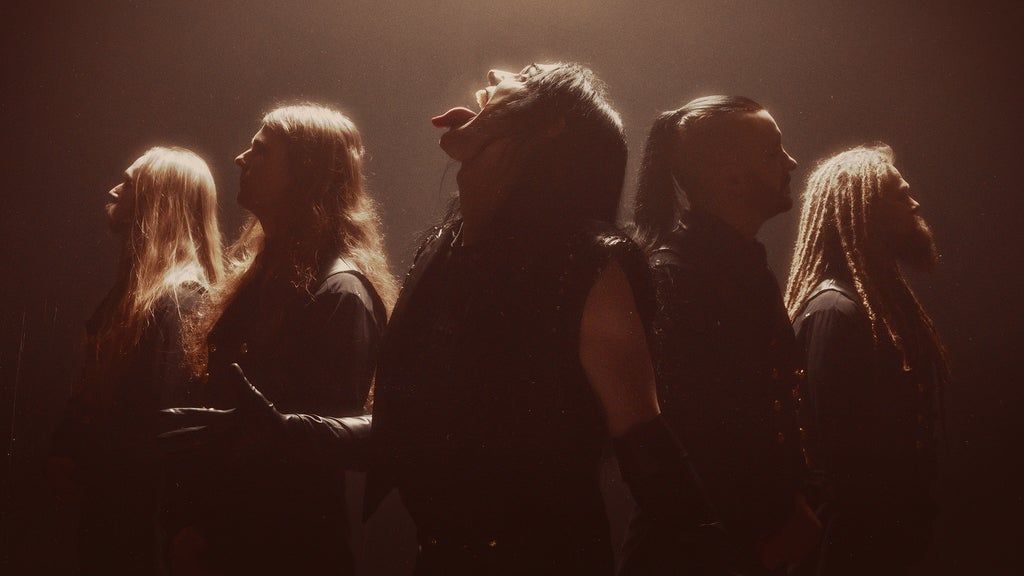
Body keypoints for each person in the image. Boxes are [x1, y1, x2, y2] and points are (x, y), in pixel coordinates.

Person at [362, 61, 715, 576]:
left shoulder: (589, 263)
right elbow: (413, 425)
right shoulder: (444, 246)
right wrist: (287, 431)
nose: (493, 72)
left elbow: (647, 445)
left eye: (526, 75)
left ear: (549, 125)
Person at [164, 104, 396, 575]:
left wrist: (214, 529)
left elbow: (315, 452)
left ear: (306, 172)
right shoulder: (261, 273)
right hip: (231, 539)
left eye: (261, 150)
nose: (241, 159)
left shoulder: (340, 291)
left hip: (284, 551)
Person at [630, 95, 820, 574]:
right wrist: (771, 524)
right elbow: (695, 438)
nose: (791, 163)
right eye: (773, 152)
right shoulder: (676, 277)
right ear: (731, 178)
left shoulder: (744, 268)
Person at [49, 146, 224, 575]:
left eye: (128, 183)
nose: (113, 190)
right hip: (113, 510)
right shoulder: (132, 295)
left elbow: (178, 428)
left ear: (157, 200)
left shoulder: (183, 300)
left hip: (143, 522)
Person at [785, 144, 948, 575]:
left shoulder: (873, 303)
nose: (915, 204)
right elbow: (838, 466)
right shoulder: (835, 311)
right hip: (856, 550)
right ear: (863, 211)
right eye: (901, 195)